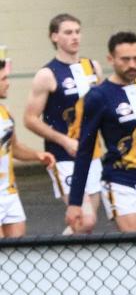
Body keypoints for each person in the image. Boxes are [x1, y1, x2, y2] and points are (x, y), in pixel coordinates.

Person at [65, 32, 136, 232]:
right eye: (125, 59)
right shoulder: (98, 96)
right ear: (111, 59)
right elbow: (85, 150)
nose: (132, 65)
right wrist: (75, 202)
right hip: (120, 182)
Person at [23, 13, 103, 235]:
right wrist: (64, 140)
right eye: (68, 32)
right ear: (54, 37)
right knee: (84, 219)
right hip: (64, 157)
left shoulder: (92, 67)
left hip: (93, 153)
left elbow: (104, 106)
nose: (75, 37)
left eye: (77, 31)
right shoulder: (47, 74)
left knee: (86, 223)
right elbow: (29, 119)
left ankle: (66, 259)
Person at [0, 59, 56, 238]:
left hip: (9, 193)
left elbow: (14, 147)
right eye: (3, 79)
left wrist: (37, 155)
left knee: (17, 252)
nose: (7, 84)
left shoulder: (5, 112)